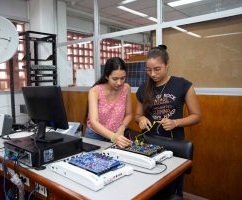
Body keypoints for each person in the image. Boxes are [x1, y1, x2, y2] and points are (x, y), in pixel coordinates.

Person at [135, 45, 201, 198]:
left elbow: (197, 115)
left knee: (172, 187)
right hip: (149, 144)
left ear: (167, 65)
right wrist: (141, 119)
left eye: (157, 69)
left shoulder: (183, 85)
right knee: (150, 187)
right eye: (148, 70)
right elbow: (137, 116)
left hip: (174, 144)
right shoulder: (143, 88)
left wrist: (175, 123)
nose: (152, 74)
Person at [86, 57, 132, 148]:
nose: (119, 83)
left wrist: (122, 127)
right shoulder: (95, 91)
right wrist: (113, 137)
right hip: (95, 136)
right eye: (115, 79)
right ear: (107, 76)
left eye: (122, 78)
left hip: (118, 135)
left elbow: (129, 114)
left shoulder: (126, 88)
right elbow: (93, 122)